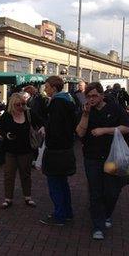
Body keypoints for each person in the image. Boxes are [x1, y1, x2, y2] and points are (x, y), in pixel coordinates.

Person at [75, 82, 129, 240]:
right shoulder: (86, 110)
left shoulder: (114, 108)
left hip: (112, 157)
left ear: (102, 95)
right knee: (95, 192)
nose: (91, 99)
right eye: (88, 96)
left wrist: (105, 130)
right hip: (92, 158)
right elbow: (79, 133)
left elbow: (127, 127)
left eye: (94, 95)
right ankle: (97, 226)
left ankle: (106, 214)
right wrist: (85, 115)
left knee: (112, 191)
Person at [39, 76, 77, 226]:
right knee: (63, 183)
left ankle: (59, 215)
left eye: (47, 86)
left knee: (55, 185)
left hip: (56, 150)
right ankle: (67, 213)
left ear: (54, 88)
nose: (45, 89)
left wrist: (46, 132)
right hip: (67, 148)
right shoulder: (69, 100)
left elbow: (55, 128)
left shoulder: (56, 103)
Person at [0, 93, 44, 209]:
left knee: (26, 174)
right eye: (18, 104)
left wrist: (42, 127)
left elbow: (41, 121)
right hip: (10, 150)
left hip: (26, 150)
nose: (21, 107)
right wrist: (6, 135)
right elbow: (0, 128)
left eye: (23, 104)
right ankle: (8, 199)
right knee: (9, 175)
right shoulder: (7, 115)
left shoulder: (28, 113)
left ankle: (27, 197)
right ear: (12, 105)